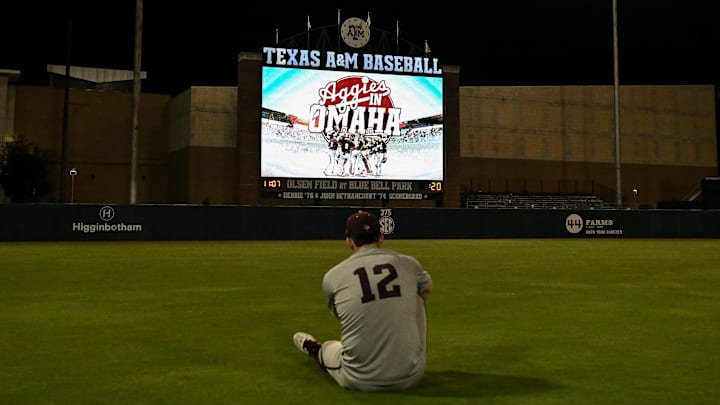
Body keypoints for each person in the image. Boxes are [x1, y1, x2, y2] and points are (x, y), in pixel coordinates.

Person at [293, 210, 433, 391]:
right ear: (381, 238)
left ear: (349, 242)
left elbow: (342, 315)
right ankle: (403, 358)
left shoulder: (333, 276)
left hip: (359, 378)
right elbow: (427, 288)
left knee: (329, 348)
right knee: (418, 293)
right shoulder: (409, 264)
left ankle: (313, 349)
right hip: (411, 376)